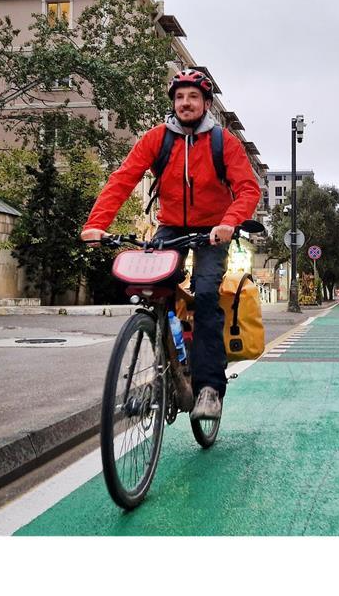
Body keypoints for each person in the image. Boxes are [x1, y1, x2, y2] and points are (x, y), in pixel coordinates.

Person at [80, 69, 261, 420]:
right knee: (152, 288)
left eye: (193, 97)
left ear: (206, 103)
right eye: (180, 97)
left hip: (214, 230)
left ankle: (209, 388)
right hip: (170, 226)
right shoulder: (157, 139)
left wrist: (229, 222)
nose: (186, 103)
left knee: (207, 294)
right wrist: (96, 225)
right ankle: (168, 365)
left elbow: (248, 189)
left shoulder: (224, 142)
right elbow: (123, 178)